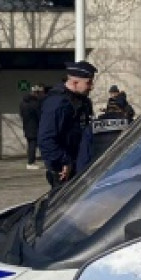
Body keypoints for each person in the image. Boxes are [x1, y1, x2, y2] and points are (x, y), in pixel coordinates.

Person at [37, 61, 96, 189]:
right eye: (88, 83)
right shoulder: (57, 103)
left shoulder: (82, 101)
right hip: (66, 170)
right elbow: (46, 139)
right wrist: (64, 161)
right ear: (75, 82)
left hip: (80, 164)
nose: (91, 87)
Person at [18, 84, 45, 169]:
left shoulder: (22, 103)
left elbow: (21, 114)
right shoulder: (35, 104)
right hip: (35, 127)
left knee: (30, 145)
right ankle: (31, 162)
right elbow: (40, 116)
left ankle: (30, 161)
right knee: (33, 145)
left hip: (27, 126)